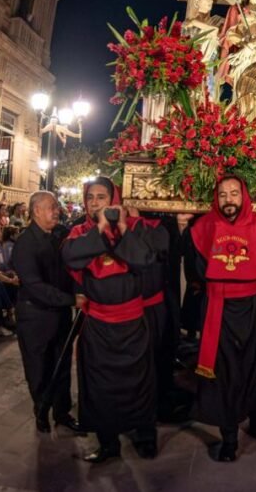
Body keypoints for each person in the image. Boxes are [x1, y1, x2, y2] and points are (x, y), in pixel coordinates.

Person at [62, 181, 158, 462]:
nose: (94, 203)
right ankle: (108, 444)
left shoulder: (135, 227)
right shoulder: (80, 231)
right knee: (99, 388)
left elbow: (144, 260)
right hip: (98, 324)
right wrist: (102, 228)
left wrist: (122, 227)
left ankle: (146, 437)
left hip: (132, 323)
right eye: (90, 197)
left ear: (114, 199)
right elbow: (70, 257)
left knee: (139, 384)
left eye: (101, 197)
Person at [186, 176, 256, 462]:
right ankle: (229, 436)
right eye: (223, 194)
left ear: (244, 196)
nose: (228, 199)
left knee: (255, 365)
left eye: (234, 193)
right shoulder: (203, 227)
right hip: (218, 306)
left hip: (252, 305)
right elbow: (196, 269)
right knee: (224, 371)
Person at [13, 191, 80, 435]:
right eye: (51, 207)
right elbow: (35, 286)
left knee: (61, 365)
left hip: (59, 314)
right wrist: (71, 299)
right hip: (36, 317)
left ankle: (62, 413)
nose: (56, 211)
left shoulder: (59, 235)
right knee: (38, 368)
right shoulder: (24, 244)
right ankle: (41, 411)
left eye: (56, 207)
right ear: (36, 211)